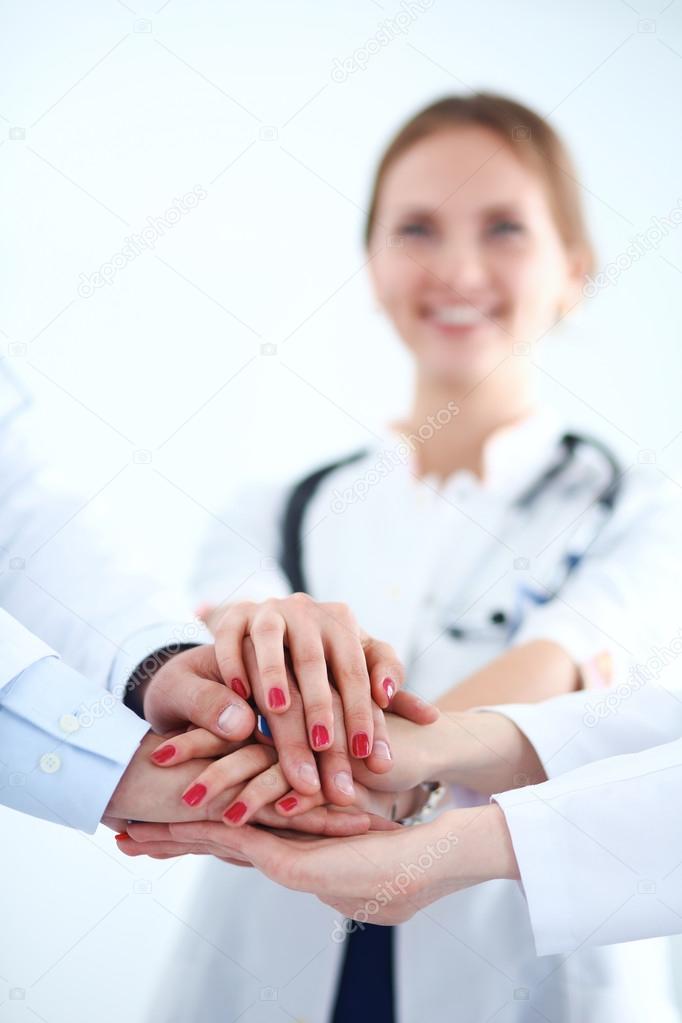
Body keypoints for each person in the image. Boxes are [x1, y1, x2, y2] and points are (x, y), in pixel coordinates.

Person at [131, 92, 682, 1022]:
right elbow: (223, 657)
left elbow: (559, 666)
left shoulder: (642, 508)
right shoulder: (274, 509)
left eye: (505, 228)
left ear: (575, 271)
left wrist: (363, 769)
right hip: (269, 950)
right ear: (376, 263)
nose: (458, 268)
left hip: (522, 957)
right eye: (417, 229)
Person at [120, 680, 682, 961]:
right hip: (275, 924)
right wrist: (405, 755)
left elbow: (555, 666)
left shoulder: (624, 504)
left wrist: (398, 784)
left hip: (500, 946)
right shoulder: (277, 503)